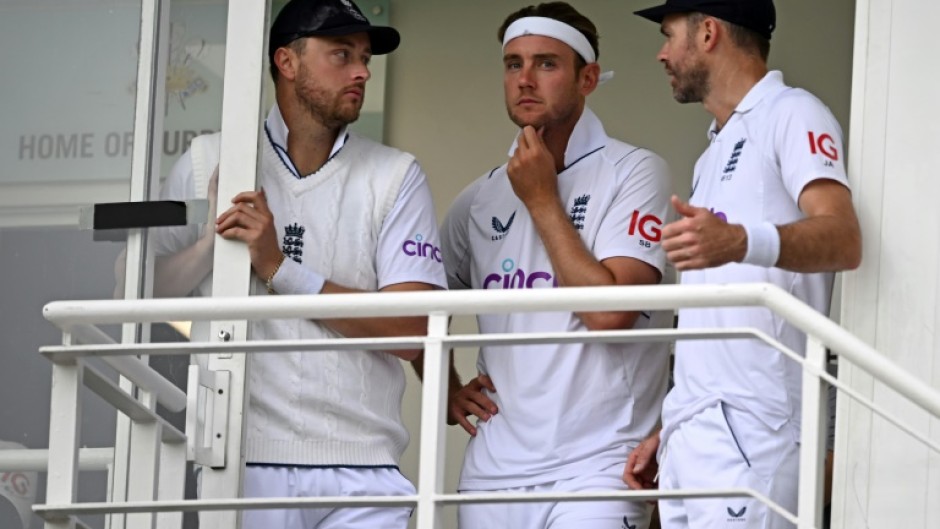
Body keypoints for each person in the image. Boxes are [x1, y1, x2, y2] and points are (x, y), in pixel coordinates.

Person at [147, 0, 447, 528]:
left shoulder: (395, 174)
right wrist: (211, 247)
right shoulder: (206, 160)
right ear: (287, 62)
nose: (361, 71)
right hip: (239, 457)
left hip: (366, 466)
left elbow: (414, 326)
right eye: (341, 54)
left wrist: (280, 267)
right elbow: (144, 295)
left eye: (364, 58)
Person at [626, 1, 862, 528]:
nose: (662, 54)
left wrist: (737, 240)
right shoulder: (713, 151)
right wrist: (675, 420)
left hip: (757, 432)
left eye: (669, 36)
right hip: (696, 434)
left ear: (708, 32)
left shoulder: (792, 111)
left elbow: (844, 237)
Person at [440, 3, 673, 528]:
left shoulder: (635, 172)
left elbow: (610, 315)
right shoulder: (479, 197)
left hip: (600, 469)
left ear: (588, 77)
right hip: (492, 475)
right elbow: (414, 307)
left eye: (546, 63)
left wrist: (543, 200)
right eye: (513, 63)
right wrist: (445, 386)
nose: (525, 80)